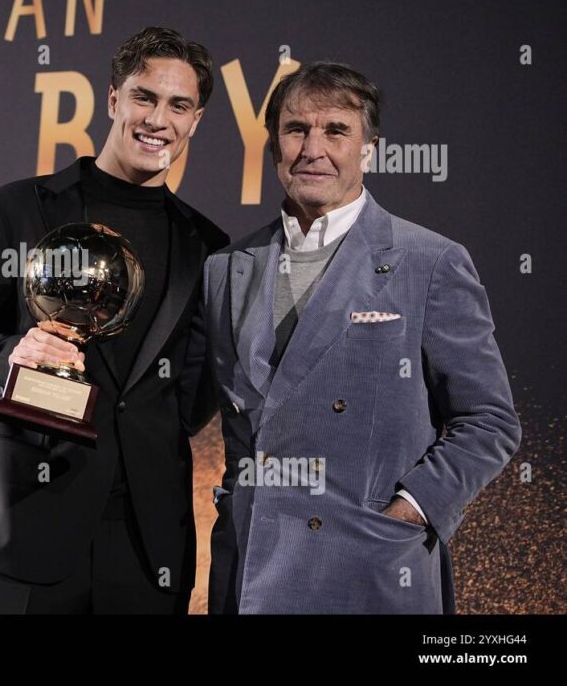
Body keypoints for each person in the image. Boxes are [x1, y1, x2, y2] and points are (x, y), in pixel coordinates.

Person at [184, 61, 521, 613]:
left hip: (369, 572)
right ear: (274, 147)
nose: (313, 148)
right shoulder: (226, 267)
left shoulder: (429, 262)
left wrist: (407, 510)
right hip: (251, 568)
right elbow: (187, 406)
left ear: (368, 150)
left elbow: (489, 421)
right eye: (296, 130)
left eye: (336, 130)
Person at [0, 27, 229, 613]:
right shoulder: (19, 209)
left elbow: (191, 401)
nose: (158, 119)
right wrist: (15, 354)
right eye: (144, 97)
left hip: (149, 543)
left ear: (197, 121)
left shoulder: (207, 247)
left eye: (179, 105)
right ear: (114, 99)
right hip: (33, 526)